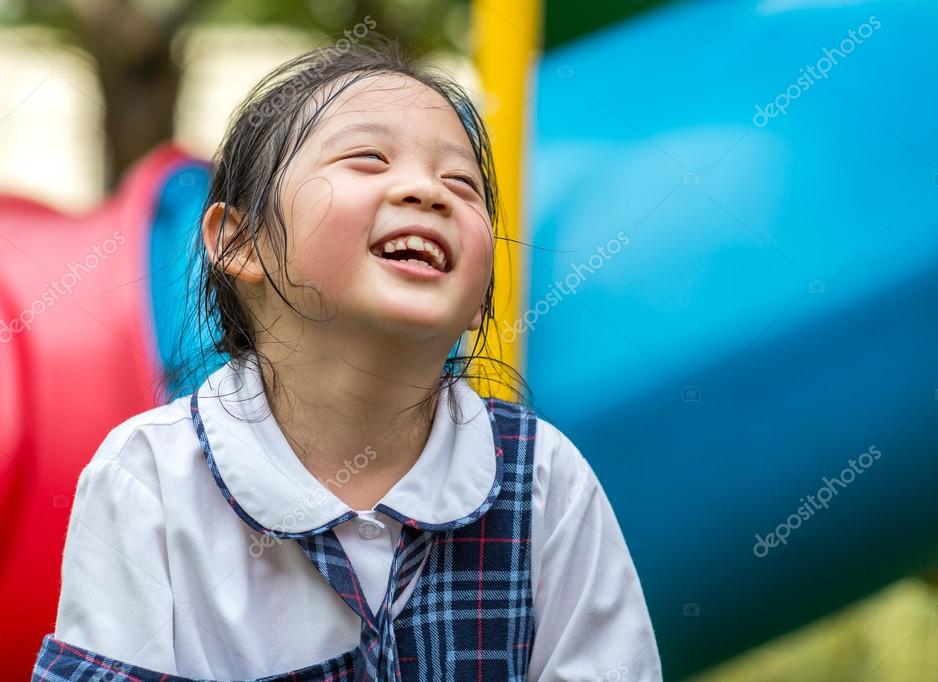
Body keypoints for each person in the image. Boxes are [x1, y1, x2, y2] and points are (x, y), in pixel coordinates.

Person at [32, 39, 662, 681]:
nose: (428, 191)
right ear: (241, 242)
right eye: (369, 158)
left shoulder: (544, 481)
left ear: (480, 299)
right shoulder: (151, 477)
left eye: (461, 183)